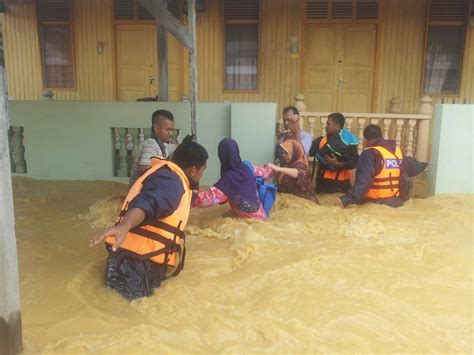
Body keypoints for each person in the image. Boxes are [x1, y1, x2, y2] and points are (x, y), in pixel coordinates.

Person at [90, 140, 209, 300]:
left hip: (126, 257)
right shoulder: (171, 182)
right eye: (203, 170)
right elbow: (149, 201)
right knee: (130, 315)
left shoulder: (167, 176)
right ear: (193, 170)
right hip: (138, 266)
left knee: (115, 305)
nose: (203, 174)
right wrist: (124, 226)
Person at [336, 124, 428, 208]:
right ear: (381, 136)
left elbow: (364, 182)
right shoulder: (396, 152)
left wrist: (345, 200)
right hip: (396, 202)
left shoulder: (369, 154)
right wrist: (426, 165)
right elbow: (415, 167)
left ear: (365, 141)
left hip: (374, 203)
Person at [193, 138, 271, 220]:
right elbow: (265, 173)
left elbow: (204, 200)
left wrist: (187, 192)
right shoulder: (248, 167)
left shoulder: (227, 181)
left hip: (247, 225)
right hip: (262, 218)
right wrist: (270, 167)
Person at [309, 112, 359, 194]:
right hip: (323, 185)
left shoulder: (348, 143)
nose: (325, 127)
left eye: (328, 124)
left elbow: (353, 163)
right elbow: (307, 151)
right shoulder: (321, 141)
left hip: (341, 186)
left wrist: (337, 164)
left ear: (337, 126)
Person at [129, 109, 177, 186]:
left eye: (172, 130)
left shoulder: (162, 145)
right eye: (168, 130)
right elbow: (144, 170)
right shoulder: (151, 145)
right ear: (156, 128)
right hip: (139, 194)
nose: (170, 133)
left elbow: (175, 147)